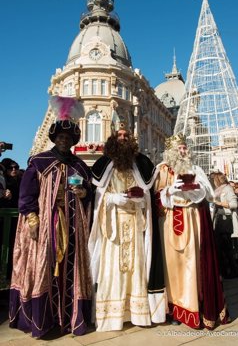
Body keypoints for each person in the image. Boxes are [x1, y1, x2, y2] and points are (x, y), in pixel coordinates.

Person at [9, 96, 92, 338]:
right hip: (46, 226)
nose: (64, 141)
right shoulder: (39, 162)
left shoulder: (80, 166)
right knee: (46, 267)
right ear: (55, 138)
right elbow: (26, 195)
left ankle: (69, 317)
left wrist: (84, 192)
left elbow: (90, 195)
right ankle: (44, 319)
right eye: (61, 138)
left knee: (71, 268)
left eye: (68, 138)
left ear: (73, 140)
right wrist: (32, 218)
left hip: (74, 226)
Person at [88, 126, 165, 332]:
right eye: (119, 136)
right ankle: (112, 316)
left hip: (135, 224)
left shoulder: (140, 164)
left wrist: (140, 200)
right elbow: (98, 197)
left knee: (136, 267)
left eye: (126, 136)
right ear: (113, 139)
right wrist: (115, 198)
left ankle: (137, 313)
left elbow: (147, 197)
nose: (123, 138)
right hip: (112, 225)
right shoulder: (104, 164)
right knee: (113, 268)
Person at [153, 132, 230, 330]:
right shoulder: (161, 169)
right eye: (179, 148)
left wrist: (196, 189)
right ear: (170, 151)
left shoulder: (195, 168)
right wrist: (169, 191)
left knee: (193, 263)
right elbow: (153, 197)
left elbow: (209, 193)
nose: (183, 150)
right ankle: (175, 308)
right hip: (170, 219)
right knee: (171, 265)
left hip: (193, 218)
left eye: (184, 147)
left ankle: (195, 305)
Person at [210, 171, 238, 279]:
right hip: (218, 220)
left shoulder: (227, 188)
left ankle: (233, 271)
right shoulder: (217, 190)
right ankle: (224, 271)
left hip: (225, 220)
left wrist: (219, 203)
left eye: (214, 179)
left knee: (227, 248)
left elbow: (234, 204)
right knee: (220, 249)